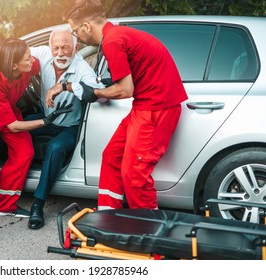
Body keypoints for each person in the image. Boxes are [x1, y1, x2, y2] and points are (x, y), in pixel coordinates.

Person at [63, 0, 188, 210]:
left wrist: (94, 92)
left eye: (75, 31)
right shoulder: (119, 35)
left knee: (134, 174)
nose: (77, 37)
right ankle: (108, 214)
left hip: (156, 109)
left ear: (86, 26)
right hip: (146, 106)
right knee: (112, 156)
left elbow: (125, 90)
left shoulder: (113, 41)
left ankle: (147, 229)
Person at [0, 27, 104, 230]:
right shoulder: (41, 54)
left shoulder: (83, 69)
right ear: (49, 47)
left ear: (76, 48)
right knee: (8, 131)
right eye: (56, 47)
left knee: (56, 148)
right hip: (46, 118)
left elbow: (96, 93)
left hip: (70, 126)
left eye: (66, 48)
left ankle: (37, 204)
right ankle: (3, 178)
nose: (60, 53)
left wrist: (65, 86)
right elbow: (10, 54)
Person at [0, 38, 72, 243]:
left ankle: (5, 206)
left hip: (9, 112)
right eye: (28, 59)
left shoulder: (27, 66)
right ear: (14, 65)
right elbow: (12, 126)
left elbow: (48, 59)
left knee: (25, 152)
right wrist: (44, 121)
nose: (33, 61)